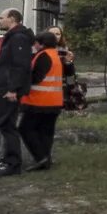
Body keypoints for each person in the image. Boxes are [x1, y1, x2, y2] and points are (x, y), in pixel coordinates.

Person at [19, 31, 64, 171]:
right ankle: (45, 159)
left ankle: (41, 158)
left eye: (36, 43)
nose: (34, 46)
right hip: (54, 101)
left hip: (39, 101)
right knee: (46, 132)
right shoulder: (54, 55)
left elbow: (36, 77)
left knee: (25, 129)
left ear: (41, 43)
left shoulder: (43, 56)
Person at [0, 8, 35, 177]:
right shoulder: (12, 37)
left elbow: (20, 66)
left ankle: (13, 164)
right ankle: (7, 159)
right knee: (4, 124)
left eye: (1, 18)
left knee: (7, 126)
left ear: (12, 19)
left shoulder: (19, 38)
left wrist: (13, 89)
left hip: (9, 90)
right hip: (5, 87)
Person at [47, 25, 84, 111]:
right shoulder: (42, 49)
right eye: (52, 34)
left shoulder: (65, 50)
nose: (55, 36)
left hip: (62, 87)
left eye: (58, 34)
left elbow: (71, 75)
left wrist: (68, 62)